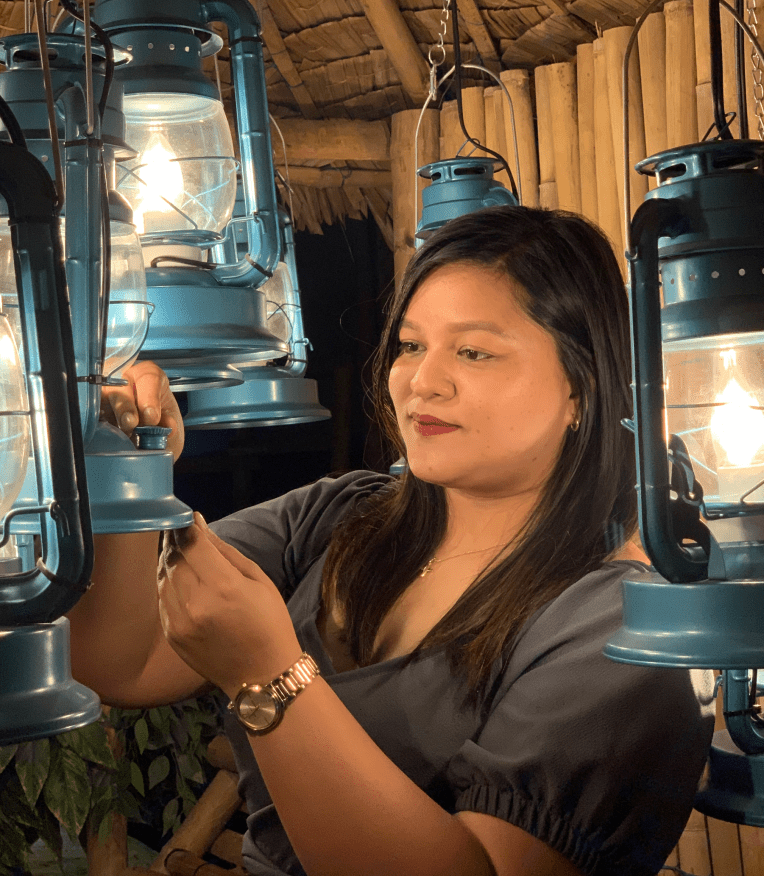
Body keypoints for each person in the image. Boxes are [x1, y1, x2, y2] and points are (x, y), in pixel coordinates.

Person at [68, 205, 715, 876]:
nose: (422, 381)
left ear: (581, 385)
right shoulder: (338, 518)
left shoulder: (625, 628)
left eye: (473, 351)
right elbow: (126, 663)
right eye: (410, 346)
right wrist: (131, 471)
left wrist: (270, 676)